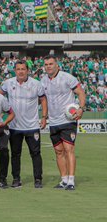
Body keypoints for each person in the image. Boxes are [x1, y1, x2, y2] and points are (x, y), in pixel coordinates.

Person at [41, 55, 86, 191]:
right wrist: (44, 117)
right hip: (53, 121)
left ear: (57, 65)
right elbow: (43, 100)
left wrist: (81, 109)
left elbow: (81, 93)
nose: (48, 66)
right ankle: (63, 180)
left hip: (68, 120)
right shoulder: (43, 81)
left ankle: (71, 180)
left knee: (69, 149)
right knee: (58, 151)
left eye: (51, 64)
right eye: (46, 64)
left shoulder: (67, 78)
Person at [0, 60, 47, 189]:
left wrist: (44, 117)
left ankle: (38, 179)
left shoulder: (36, 84)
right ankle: (16, 179)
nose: (20, 71)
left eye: (23, 69)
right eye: (18, 69)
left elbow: (43, 99)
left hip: (32, 126)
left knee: (35, 153)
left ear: (27, 71)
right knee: (15, 154)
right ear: (15, 70)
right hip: (14, 126)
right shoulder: (8, 83)